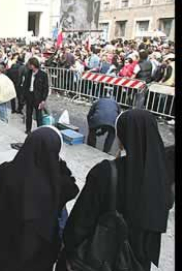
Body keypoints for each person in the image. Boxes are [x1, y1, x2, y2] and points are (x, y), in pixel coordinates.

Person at [60, 109, 173, 271]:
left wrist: (68, 250)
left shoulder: (107, 172)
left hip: (100, 260)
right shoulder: (162, 179)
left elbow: (80, 223)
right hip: (136, 263)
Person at [0, 126, 79, 271]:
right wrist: (58, 163)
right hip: (38, 257)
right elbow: (73, 188)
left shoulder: (4, 171)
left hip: (3, 249)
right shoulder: (56, 183)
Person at [23, 57, 49, 134]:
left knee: (38, 116)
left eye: (29, 65)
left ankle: (39, 131)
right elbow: (25, 85)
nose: (28, 66)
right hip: (29, 96)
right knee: (29, 114)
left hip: (38, 98)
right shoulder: (28, 73)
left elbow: (45, 88)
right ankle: (28, 129)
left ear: (33, 65)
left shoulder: (43, 75)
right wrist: (24, 95)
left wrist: (43, 100)